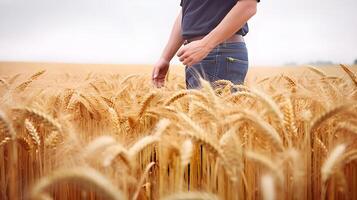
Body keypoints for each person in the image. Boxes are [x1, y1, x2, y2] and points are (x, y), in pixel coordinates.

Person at [152, 0, 259, 89]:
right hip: (198, 54)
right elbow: (187, 11)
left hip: (219, 53)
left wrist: (205, 45)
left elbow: (248, 5)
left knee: (209, 114)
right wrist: (165, 58)